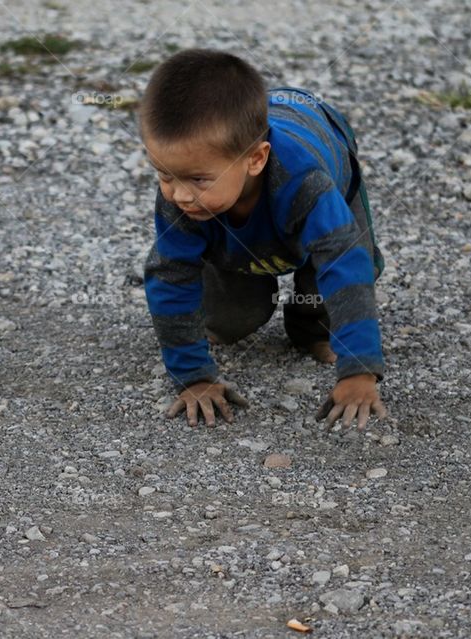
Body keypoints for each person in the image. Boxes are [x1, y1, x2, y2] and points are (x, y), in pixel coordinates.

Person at [140, 49, 387, 430]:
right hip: (238, 184)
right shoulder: (184, 187)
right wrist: (194, 377)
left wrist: (359, 370)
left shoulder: (308, 184)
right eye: (164, 175)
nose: (180, 195)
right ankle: (241, 291)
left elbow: (344, 264)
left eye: (198, 180)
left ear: (255, 160)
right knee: (230, 318)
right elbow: (170, 274)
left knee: (333, 266)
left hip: (320, 137)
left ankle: (309, 329)